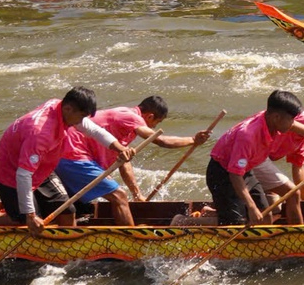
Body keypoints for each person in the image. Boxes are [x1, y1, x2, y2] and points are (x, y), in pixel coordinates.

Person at [198, 91, 304, 227]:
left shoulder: (277, 121)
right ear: (276, 117)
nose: (293, 125)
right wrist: (251, 207)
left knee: (265, 215)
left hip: (245, 170)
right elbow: (234, 175)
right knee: (236, 224)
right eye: (291, 120)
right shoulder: (248, 135)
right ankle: (186, 222)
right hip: (223, 173)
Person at [54, 94, 211, 226]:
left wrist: (137, 194)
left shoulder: (123, 125)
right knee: (119, 196)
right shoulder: (130, 117)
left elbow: (124, 161)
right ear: (150, 116)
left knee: (79, 204)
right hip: (73, 155)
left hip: (69, 156)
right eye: (156, 123)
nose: (154, 128)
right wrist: (192, 140)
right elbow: (160, 141)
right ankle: (133, 240)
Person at [0, 89, 128, 232]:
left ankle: (69, 248)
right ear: (68, 108)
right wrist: (30, 215)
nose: (80, 123)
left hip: (41, 167)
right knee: (26, 223)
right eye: (81, 117)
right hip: (13, 173)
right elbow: (23, 175)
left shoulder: (60, 106)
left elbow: (93, 130)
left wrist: (120, 149)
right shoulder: (41, 133)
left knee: (67, 210)